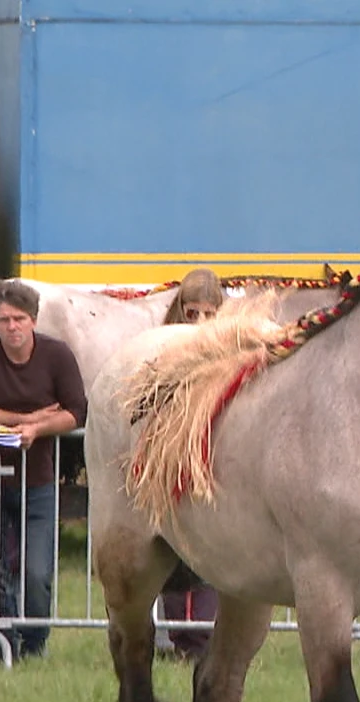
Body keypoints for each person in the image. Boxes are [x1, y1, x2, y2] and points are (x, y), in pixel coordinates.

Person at [0, 279, 87, 661]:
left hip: (39, 479)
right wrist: (26, 419)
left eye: (18, 319)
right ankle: (2, 644)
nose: (11, 327)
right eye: (3, 320)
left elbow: (76, 411)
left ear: (33, 320)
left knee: (37, 571)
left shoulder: (57, 355)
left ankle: (34, 645)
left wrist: (37, 430)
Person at [155, 269, 224, 661]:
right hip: (174, 465)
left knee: (211, 552)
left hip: (214, 466)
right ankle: (178, 637)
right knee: (174, 551)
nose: (198, 323)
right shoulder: (164, 349)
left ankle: (203, 638)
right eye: (191, 312)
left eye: (207, 314)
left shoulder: (231, 349)